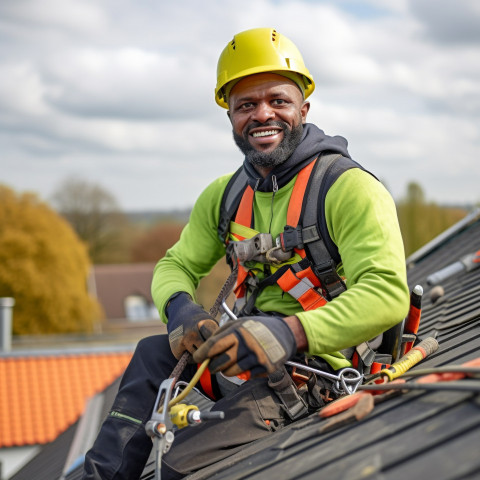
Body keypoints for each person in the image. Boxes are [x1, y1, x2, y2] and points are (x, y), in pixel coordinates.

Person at [83, 27, 410, 479]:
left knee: (171, 468)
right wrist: (181, 311)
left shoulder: (347, 189)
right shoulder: (227, 196)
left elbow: (386, 293)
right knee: (152, 355)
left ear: (303, 109)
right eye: (246, 105)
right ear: (231, 116)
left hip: (312, 372)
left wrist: (289, 332)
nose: (262, 115)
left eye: (278, 100)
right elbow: (173, 265)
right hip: (244, 354)